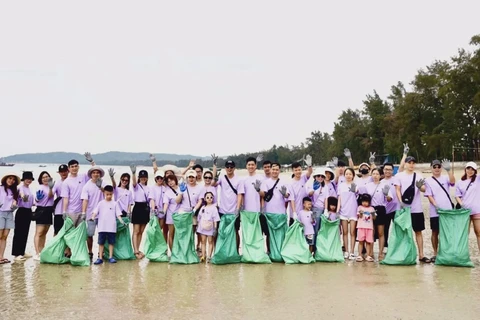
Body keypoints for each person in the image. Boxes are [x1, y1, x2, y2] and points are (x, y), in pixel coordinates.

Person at [394, 156, 430, 263]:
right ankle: (405, 254)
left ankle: (421, 255)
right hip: (404, 209)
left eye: (413, 163)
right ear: (405, 164)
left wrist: (420, 186)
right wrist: (400, 203)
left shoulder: (418, 175)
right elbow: (397, 190)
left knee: (418, 231)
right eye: (409, 162)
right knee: (404, 232)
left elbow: (424, 189)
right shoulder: (399, 176)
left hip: (416, 209)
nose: (411, 165)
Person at [424, 159, 455, 263]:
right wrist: (436, 205)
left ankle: (447, 252)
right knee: (435, 232)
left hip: (448, 211)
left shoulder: (446, 177)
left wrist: (449, 170)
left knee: (448, 232)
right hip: (435, 211)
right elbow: (429, 194)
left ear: (441, 168)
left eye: (438, 166)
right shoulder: (428, 180)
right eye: (434, 167)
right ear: (431, 168)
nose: (437, 169)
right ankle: (435, 253)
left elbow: (452, 182)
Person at [361, 168, 392, 261]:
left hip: (381, 209)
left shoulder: (384, 185)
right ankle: (370, 253)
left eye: (377, 174)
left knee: (381, 232)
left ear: (380, 175)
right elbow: (363, 198)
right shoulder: (368, 186)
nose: (375, 176)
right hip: (370, 209)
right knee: (371, 231)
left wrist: (386, 195)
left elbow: (390, 199)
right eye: (373, 174)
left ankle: (381, 253)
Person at [91, 185, 126, 265]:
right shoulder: (100, 203)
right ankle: (100, 258)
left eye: (110, 194)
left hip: (112, 227)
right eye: (107, 194)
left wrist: (121, 221)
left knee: (111, 243)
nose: (109, 196)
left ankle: (110, 257)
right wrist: (92, 217)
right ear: (104, 193)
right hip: (102, 227)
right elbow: (95, 212)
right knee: (101, 243)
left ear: (112, 194)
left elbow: (118, 215)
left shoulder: (114, 204)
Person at [238, 157, 266, 249]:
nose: (251, 166)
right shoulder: (243, 180)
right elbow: (241, 195)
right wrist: (240, 208)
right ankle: (248, 254)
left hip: (257, 211)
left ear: (256, 166)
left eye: (252, 165)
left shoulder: (260, 178)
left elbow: (263, 194)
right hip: (246, 212)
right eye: (249, 165)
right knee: (248, 234)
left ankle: (258, 253)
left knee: (258, 234)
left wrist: (258, 190)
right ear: (246, 166)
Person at [61, 153, 96, 224]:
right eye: (72, 167)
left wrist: (92, 162)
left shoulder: (83, 177)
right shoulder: (66, 182)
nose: (74, 168)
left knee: (81, 233)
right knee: (70, 233)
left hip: (82, 211)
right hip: (71, 212)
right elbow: (65, 198)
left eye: (76, 166)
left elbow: (95, 171)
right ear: (69, 168)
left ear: (78, 167)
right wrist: (64, 211)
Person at [215, 160, 242, 250]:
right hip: (222, 210)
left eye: (231, 167)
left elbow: (239, 194)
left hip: (234, 211)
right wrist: (214, 167)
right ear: (225, 168)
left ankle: (236, 251)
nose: (229, 169)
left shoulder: (239, 180)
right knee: (221, 231)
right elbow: (213, 184)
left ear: (234, 168)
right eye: (227, 167)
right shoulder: (222, 178)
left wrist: (238, 208)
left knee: (235, 231)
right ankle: (220, 250)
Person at [455, 161, 480, 253]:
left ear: (475, 170)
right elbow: (457, 195)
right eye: (468, 168)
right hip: (465, 211)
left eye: (472, 169)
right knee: (465, 233)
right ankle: (463, 254)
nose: (470, 171)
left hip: (477, 210)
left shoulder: (478, 179)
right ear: (465, 169)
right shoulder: (460, 182)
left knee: (478, 233)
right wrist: (461, 204)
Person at [130, 165, 154, 259]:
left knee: (141, 231)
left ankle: (138, 249)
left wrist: (152, 209)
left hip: (145, 208)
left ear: (147, 178)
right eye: (141, 177)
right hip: (137, 207)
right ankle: (135, 250)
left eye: (144, 177)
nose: (143, 179)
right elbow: (134, 182)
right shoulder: (136, 186)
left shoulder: (149, 188)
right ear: (139, 178)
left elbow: (151, 199)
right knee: (136, 231)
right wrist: (133, 173)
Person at [12, 171, 35, 261]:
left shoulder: (29, 189)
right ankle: (16, 253)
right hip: (21, 211)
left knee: (25, 232)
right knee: (18, 233)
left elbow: (32, 202)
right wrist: (23, 197)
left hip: (28, 211)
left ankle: (22, 251)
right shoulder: (20, 188)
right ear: (23, 179)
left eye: (30, 179)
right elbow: (22, 196)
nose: (28, 180)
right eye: (27, 179)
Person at [337, 168, 359, 260]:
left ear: (353, 175)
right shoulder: (341, 186)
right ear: (344, 175)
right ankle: (346, 251)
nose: (348, 176)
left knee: (352, 232)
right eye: (347, 174)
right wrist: (338, 210)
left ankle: (352, 252)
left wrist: (355, 191)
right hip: (343, 211)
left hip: (353, 211)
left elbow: (358, 196)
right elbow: (339, 198)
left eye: (350, 174)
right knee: (345, 232)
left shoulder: (356, 185)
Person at [33, 171, 55, 260]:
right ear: (40, 179)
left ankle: (42, 250)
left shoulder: (51, 187)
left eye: (47, 177)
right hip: (41, 210)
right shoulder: (40, 187)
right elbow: (35, 201)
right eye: (43, 177)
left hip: (49, 211)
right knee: (39, 232)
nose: (45, 178)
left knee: (45, 232)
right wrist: (37, 199)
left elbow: (51, 196)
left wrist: (50, 187)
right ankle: (37, 252)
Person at [307, 169, 330, 249]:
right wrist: (313, 189)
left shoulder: (325, 187)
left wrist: (326, 210)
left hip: (322, 209)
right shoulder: (311, 185)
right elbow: (309, 195)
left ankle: (317, 248)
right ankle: (312, 247)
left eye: (322, 176)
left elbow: (326, 199)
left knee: (320, 229)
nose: (320, 178)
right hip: (313, 210)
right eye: (318, 176)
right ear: (315, 177)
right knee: (313, 229)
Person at [0, 173, 19, 264]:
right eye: (10, 178)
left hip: (10, 214)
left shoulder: (14, 191)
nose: (11, 180)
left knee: (5, 236)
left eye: (13, 179)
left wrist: (15, 205)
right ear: (6, 179)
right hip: (1, 213)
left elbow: (15, 206)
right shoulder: (0, 188)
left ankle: (1, 256)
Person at [289, 156, 313, 225]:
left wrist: (309, 165)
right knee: (294, 234)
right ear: (293, 171)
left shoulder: (303, 178)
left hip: (304, 211)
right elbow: (292, 199)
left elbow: (310, 172)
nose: (298, 172)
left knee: (304, 232)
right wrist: (294, 213)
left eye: (299, 170)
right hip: (295, 213)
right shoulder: (290, 183)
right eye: (296, 170)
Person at [196, 191, 220, 262]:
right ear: (205, 199)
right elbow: (199, 217)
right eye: (207, 197)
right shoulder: (203, 207)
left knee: (210, 241)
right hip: (202, 227)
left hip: (210, 227)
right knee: (203, 241)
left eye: (211, 197)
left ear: (213, 198)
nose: (209, 199)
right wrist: (198, 225)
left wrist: (215, 229)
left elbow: (215, 219)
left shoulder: (214, 208)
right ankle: (203, 256)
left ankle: (209, 256)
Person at [163, 174, 181, 251]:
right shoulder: (167, 192)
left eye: (172, 180)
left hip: (181, 215)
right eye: (168, 181)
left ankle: (179, 251)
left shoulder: (181, 189)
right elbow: (166, 203)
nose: (170, 182)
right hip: (171, 215)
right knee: (171, 233)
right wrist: (164, 211)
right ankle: (172, 252)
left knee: (179, 234)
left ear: (175, 180)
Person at [356, 194, 376, 262]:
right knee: (360, 241)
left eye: (366, 201)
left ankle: (368, 255)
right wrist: (361, 213)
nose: (364, 203)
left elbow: (374, 218)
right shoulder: (359, 207)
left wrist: (373, 214)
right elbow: (360, 216)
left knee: (368, 242)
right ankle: (359, 255)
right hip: (361, 226)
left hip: (369, 227)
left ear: (369, 202)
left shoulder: (372, 208)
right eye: (363, 201)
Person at [150, 170, 167, 241]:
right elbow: (152, 199)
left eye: (161, 178)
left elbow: (166, 200)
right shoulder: (152, 188)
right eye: (158, 178)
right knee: (154, 228)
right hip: (155, 210)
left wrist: (164, 210)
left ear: (163, 179)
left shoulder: (165, 188)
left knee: (160, 228)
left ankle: (158, 243)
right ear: (155, 179)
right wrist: (153, 209)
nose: (159, 179)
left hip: (162, 210)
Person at [53, 165, 69, 236]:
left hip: (71, 210)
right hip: (59, 211)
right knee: (57, 232)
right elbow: (51, 195)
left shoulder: (71, 181)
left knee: (69, 233)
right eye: (61, 172)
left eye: (65, 171)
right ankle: (55, 246)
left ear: (68, 171)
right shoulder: (57, 183)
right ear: (59, 173)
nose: (63, 173)